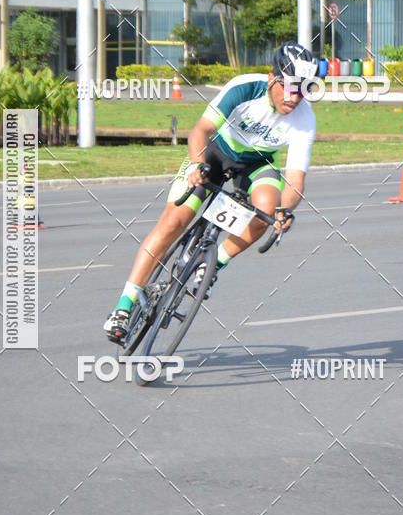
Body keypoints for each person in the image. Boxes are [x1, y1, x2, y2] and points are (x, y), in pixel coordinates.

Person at [104, 41, 318, 342]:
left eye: (304, 90)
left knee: (267, 211)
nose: (295, 97)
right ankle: (124, 306)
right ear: (273, 79)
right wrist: (196, 165)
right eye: (290, 87)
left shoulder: (305, 118)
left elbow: (295, 181)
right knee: (173, 222)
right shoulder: (245, 88)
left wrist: (286, 209)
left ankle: (213, 262)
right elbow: (201, 130)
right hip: (215, 151)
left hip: (256, 163)